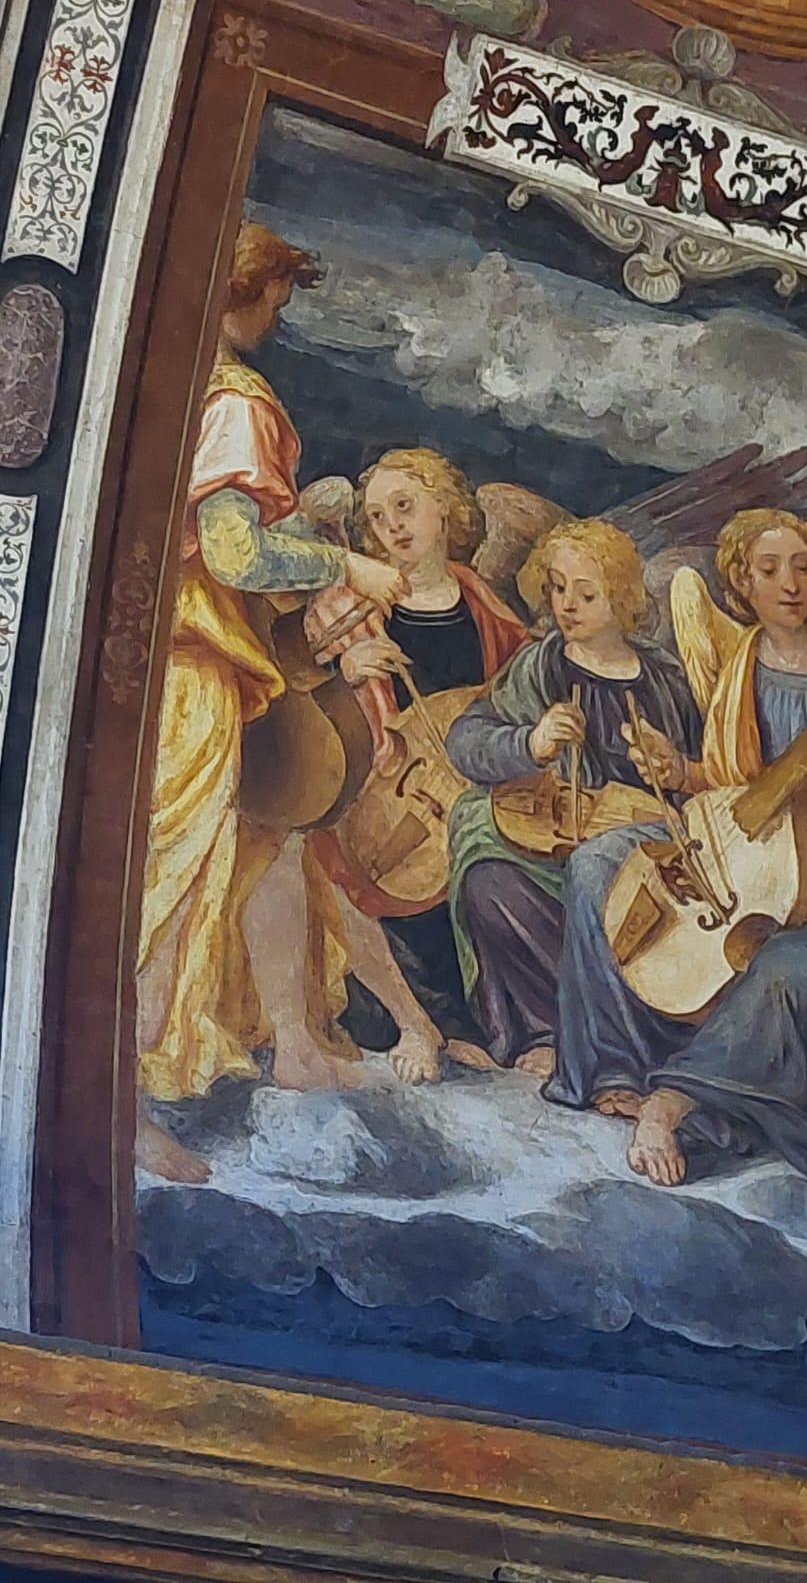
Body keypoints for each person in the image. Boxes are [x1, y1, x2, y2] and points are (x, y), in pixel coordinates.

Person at [544, 507, 807, 1186]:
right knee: (600, 862)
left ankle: (674, 1100)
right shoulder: (743, 665)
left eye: (801, 568)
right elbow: (736, 791)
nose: (789, 584)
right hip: (744, 853)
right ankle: (616, 1066)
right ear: (743, 582)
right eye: (769, 570)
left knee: (784, 964)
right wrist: (676, 770)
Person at [136, 222, 409, 1184]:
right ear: (243, 294)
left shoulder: (170, 384)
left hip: (178, 658)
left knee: (239, 854)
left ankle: (285, 1044)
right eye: (276, 301)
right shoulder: (235, 401)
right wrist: (347, 566)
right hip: (193, 670)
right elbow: (235, 552)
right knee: (168, 882)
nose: (277, 320)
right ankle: (121, 1101)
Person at [444, 520, 702, 1076]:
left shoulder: (662, 678)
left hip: (638, 855)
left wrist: (670, 767)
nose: (567, 605)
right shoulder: (541, 665)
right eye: (558, 588)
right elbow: (465, 739)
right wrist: (530, 742)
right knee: (488, 880)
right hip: (549, 852)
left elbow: (704, 767)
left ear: (621, 598)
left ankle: (621, 1042)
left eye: (586, 594)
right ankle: (547, 1031)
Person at [304, 448, 529, 1083]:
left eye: (405, 507)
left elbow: (520, 689)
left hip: (471, 789)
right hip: (380, 788)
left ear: (445, 507)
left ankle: (479, 1025)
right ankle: (418, 1020)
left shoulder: (480, 601)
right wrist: (346, 673)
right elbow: (303, 698)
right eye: (377, 518)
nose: (393, 527)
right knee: (340, 865)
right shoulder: (355, 605)